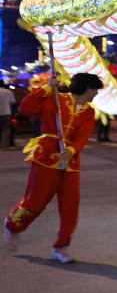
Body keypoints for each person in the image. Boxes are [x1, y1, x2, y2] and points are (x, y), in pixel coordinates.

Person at [3, 73, 103, 262]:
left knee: (70, 208)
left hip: (70, 165)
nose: (97, 93)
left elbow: (83, 134)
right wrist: (47, 87)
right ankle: (12, 226)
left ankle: (61, 247)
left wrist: (73, 149)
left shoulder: (89, 112)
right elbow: (25, 108)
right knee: (35, 203)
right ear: (88, 89)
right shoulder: (55, 98)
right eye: (96, 89)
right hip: (46, 159)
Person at [0, 83, 16, 149]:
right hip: (6, 112)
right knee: (6, 129)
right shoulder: (8, 92)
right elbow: (13, 102)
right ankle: (5, 145)